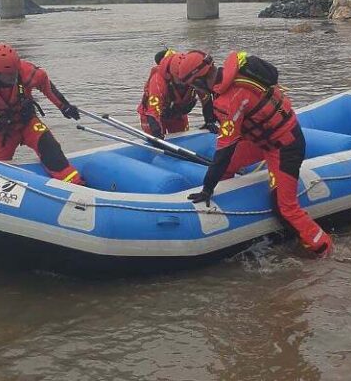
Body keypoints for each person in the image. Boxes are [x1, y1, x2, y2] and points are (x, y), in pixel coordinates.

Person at [172, 50, 333, 256]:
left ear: (200, 79)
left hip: (284, 146)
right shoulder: (233, 77)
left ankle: (325, 250)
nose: (194, 89)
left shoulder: (229, 99)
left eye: (193, 85)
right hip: (261, 140)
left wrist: (207, 189)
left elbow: (224, 151)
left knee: (285, 208)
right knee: (225, 169)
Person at [0, 42, 84, 184]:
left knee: (50, 147)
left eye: (13, 75)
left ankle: (76, 184)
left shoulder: (25, 71)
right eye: (7, 77)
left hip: (26, 123)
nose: (12, 79)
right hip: (1, 134)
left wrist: (64, 106)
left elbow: (45, 84)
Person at [136, 48, 217, 139]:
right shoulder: (158, 80)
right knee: (154, 141)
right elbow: (153, 112)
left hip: (178, 113)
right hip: (152, 116)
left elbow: (205, 97)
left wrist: (209, 121)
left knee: (183, 139)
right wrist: (157, 137)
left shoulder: (194, 73)